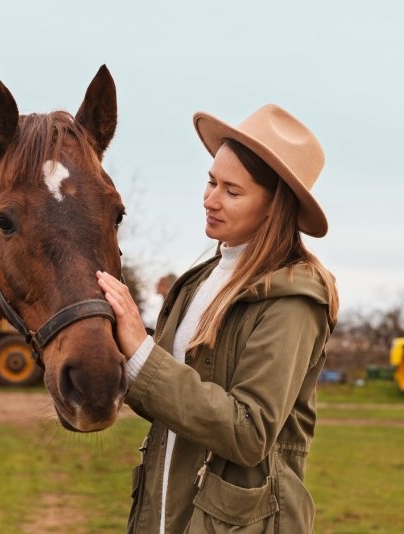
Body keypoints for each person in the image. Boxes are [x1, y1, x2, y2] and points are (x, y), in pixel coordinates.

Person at [97, 104, 339, 533]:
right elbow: (166, 395)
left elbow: (250, 432)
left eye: (232, 190)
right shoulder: (198, 283)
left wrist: (141, 351)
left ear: (273, 205)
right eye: (211, 181)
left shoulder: (294, 299)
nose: (210, 200)